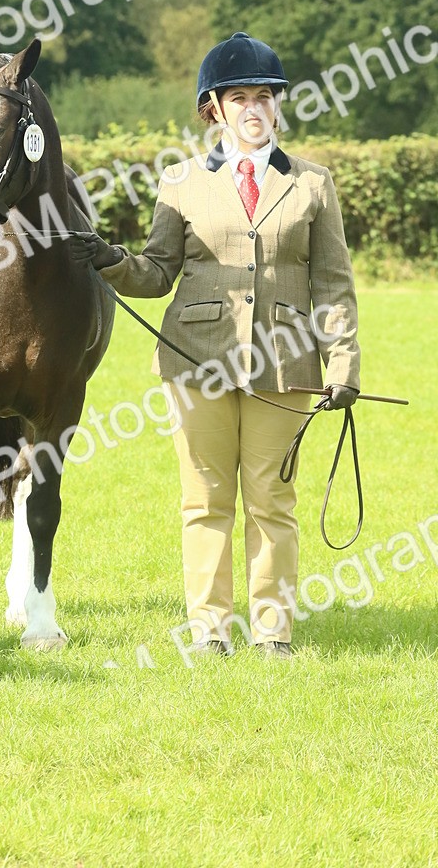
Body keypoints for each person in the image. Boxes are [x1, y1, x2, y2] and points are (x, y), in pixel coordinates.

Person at [70, 32, 361, 659]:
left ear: (277, 106)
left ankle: (273, 632)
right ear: (215, 109)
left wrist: (343, 363)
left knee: (272, 499)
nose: (254, 109)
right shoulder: (180, 183)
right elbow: (156, 271)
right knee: (204, 499)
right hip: (197, 359)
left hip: (286, 363)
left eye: (264, 97)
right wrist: (111, 260)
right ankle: (207, 631)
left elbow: (333, 284)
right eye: (240, 98)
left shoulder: (313, 184)